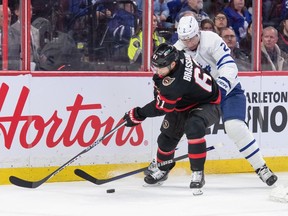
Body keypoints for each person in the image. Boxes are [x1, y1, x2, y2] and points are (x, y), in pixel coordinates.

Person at [153, 15, 278, 187]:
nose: (188, 43)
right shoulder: (177, 49)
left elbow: (228, 65)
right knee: (178, 124)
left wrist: (222, 85)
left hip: (227, 91)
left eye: (191, 38)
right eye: (184, 39)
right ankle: (161, 163)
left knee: (234, 127)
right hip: (200, 95)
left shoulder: (211, 39)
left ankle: (261, 167)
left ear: (198, 32)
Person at [123, 43, 221, 194]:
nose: (157, 70)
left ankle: (198, 173)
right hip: (183, 102)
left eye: (161, 67)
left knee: (193, 126)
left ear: (173, 64)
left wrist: (138, 114)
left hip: (208, 103)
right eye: (154, 65)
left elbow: (161, 107)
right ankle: (163, 169)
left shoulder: (174, 84)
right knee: (165, 139)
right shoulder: (178, 54)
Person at [8, 3, 40, 70]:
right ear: (17, 12)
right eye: (25, 10)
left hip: (36, 72)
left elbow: (37, 53)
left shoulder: (36, 31)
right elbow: (11, 57)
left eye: (31, 10)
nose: (29, 12)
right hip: (19, 72)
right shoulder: (10, 31)